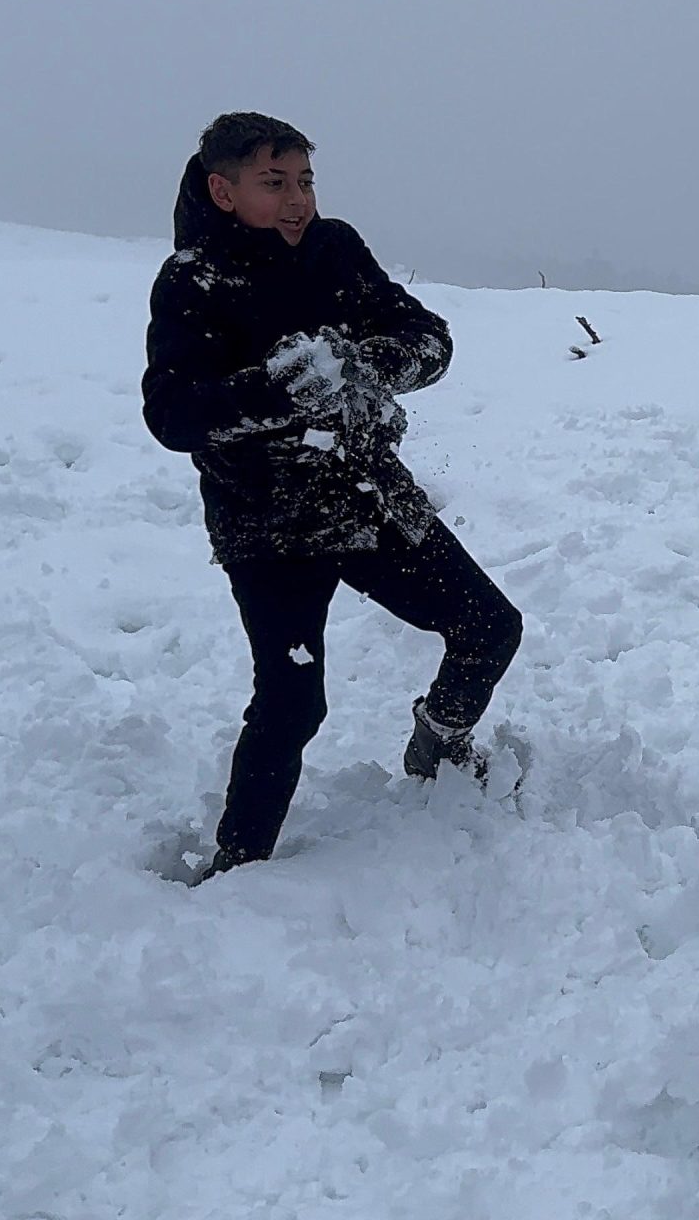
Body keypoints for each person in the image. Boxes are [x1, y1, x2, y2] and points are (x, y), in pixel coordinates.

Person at [142, 112, 524, 880]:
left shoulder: (334, 249)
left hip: (365, 494)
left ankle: (439, 743)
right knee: (292, 704)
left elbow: (426, 337)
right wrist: (283, 388)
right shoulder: (194, 279)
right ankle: (238, 865)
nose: (297, 200)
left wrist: (362, 364)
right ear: (223, 190)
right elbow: (173, 414)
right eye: (273, 183)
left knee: (490, 627)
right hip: (269, 522)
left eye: (306, 181)